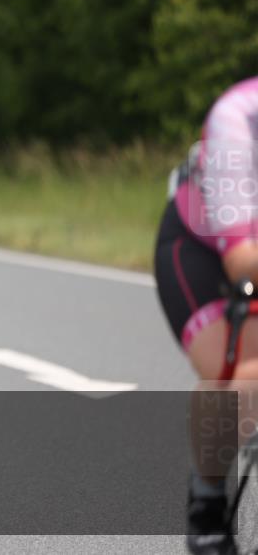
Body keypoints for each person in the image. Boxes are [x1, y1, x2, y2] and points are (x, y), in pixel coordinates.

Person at [154, 76, 258, 555]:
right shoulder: (238, 114)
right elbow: (242, 262)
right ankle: (208, 506)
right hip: (202, 247)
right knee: (237, 372)